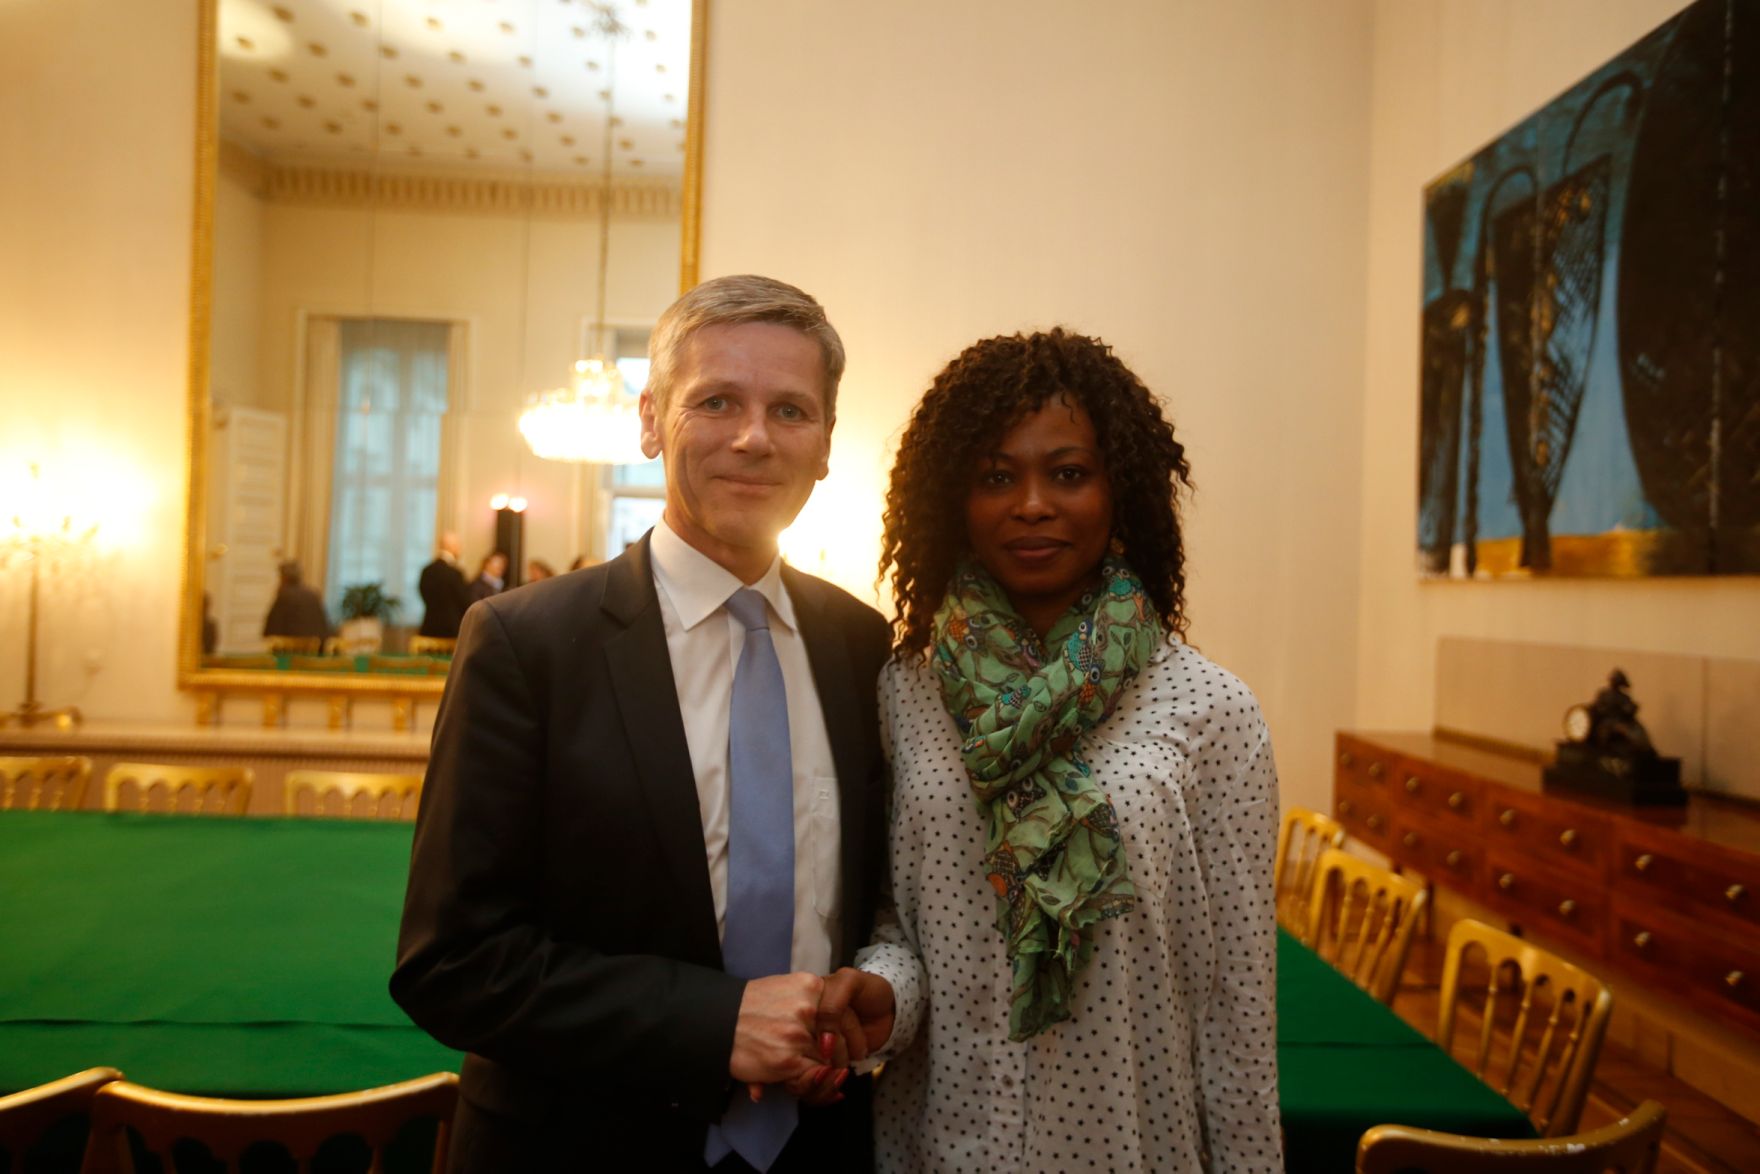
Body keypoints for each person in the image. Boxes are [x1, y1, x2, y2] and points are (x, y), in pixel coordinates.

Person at [392, 275, 891, 1172]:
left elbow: (872, 909)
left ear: (825, 445)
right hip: (577, 1147)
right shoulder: (525, 643)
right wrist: (716, 1024)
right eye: (716, 402)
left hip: (823, 1146)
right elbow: (452, 963)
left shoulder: (866, 646)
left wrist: (847, 1025)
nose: (753, 437)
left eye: (790, 409)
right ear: (651, 420)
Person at [821, 329, 1283, 1171]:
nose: (1031, 503)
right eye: (996, 476)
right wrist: (888, 987)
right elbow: (896, 914)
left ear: (1119, 494)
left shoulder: (1213, 711)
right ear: (953, 498)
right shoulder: (904, 691)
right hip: (945, 1134)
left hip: (1127, 1140)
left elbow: (1237, 1003)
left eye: (1068, 473)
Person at [418, 532, 472, 638]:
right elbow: (463, 601)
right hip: (451, 629)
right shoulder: (455, 573)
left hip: (429, 627)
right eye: (458, 546)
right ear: (452, 547)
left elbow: (423, 594)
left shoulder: (427, 570)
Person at [262, 560, 331, 639]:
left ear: (284, 577)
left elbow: (272, 628)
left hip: (293, 646)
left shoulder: (285, 596)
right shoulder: (313, 594)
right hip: (316, 647)